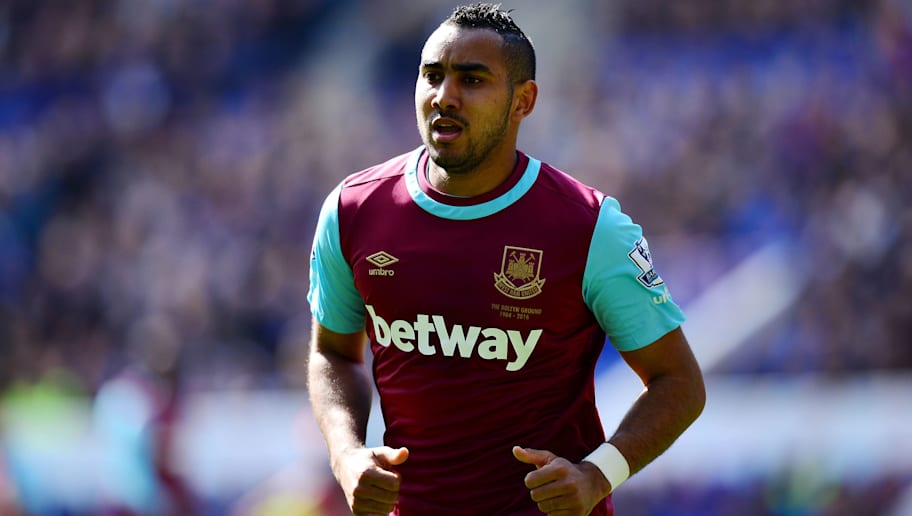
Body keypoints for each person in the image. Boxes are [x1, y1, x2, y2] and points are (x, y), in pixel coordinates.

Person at [306, 3, 705, 515]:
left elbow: (679, 382)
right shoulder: (354, 210)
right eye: (433, 76)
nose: (444, 96)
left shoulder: (589, 227)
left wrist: (597, 473)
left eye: (472, 80)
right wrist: (346, 454)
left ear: (524, 100)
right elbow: (333, 354)